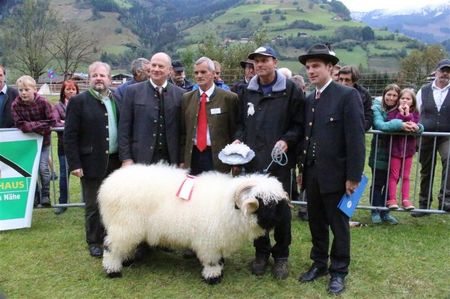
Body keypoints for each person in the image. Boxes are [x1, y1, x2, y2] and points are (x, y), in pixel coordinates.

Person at [297, 44, 365, 295]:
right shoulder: (309, 99)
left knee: (339, 225)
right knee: (316, 222)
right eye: (308, 67)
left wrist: (353, 177)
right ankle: (319, 264)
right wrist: (302, 169)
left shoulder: (347, 96)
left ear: (330, 68)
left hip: (337, 176)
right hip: (312, 174)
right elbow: (308, 136)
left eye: (316, 66)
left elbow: (356, 139)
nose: (311, 71)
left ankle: (338, 270)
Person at [234, 46, 305, 280]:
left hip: (279, 164)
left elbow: (298, 124)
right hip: (254, 162)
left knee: (281, 211)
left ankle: (281, 256)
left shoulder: (291, 90)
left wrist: (287, 140)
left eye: (265, 60)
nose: (260, 65)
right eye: (256, 61)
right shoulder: (247, 91)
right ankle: (261, 253)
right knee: (255, 208)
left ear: (275, 62)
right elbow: (240, 123)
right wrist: (239, 139)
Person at [64, 61, 121, 258]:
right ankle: (94, 240)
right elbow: (69, 135)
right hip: (90, 162)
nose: (98, 78)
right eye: (94, 75)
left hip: (115, 162)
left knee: (114, 202)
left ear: (109, 79)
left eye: (102, 75)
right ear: (89, 79)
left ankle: (110, 237)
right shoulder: (78, 101)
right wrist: (75, 164)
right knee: (93, 204)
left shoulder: (116, 99)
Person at [119, 52, 185, 166]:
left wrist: (182, 160)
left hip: (170, 160)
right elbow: (124, 128)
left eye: (161, 66)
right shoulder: (132, 91)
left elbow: (183, 131)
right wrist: (126, 158)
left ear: (169, 70)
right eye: (153, 65)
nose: (156, 69)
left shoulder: (181, 94)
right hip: (140, 158)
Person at [369, 84, 422, 224]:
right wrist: (400, 125)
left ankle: (385, 212)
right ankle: (375, 210)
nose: (391, 98)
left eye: (394, 95)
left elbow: (416, 122)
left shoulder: (401, 110)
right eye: (389, 94)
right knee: (378, 183)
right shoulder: (377, 107)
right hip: (380, 153)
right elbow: (380, 125)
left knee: (391, 182)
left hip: (396, 153)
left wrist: (419, 127)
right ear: (384, 94)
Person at [180, 56, 238, 175]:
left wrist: (235, 162)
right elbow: (182, 133)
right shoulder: (186, 98)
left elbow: (235, 132)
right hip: (193, 156)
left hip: (218, 158)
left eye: (203, 72)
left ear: (212, 74)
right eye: (196, 73)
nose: (199, 76)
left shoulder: (229, 98)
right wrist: (182, 160)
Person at [412, 58, 450, 216]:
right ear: (436, 72)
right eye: (443, 70)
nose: (445, 74)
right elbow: (418, 111)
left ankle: (445, 201)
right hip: (426, 135)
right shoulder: (424, 90)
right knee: (426, 169)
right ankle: (424, 204)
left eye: (448, 71)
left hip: (447, 136)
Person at [11, 75, 56, 208]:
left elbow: (52, 121)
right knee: (30, 170)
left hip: (43, 142)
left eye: (26, 89)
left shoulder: (44, 102)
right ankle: (34, 196)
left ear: (34, 89)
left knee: (43, 168)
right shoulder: (15, 105)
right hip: (27, 143)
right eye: (20, 90)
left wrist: (30, 126)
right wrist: (39, 125)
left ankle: (45, 194)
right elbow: (19, 124)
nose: (23, 93)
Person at [384, 88, 419, 210]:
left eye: (408, 99)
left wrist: (408, 114)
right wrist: (401, 114)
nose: (405, 101)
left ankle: (405, 199)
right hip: (395, 150)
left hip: (408, 151)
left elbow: (413, 124)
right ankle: (392, 199)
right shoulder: (393, 112)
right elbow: (395, 123)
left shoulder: (415, 113)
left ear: (413, 102)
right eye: (402, 98)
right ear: (399, 100)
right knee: (394, 176)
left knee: (406, 176)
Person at [53, 80, 79, 215]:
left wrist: (66, 122)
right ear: (63, 91)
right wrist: (70, 123)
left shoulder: (82, 104)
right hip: (63, 147)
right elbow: (55, 122)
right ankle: (63, 202)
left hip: (81, 146)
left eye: (73, 89)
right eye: (68, 89)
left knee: (85, 175)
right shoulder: (58, 106)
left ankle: (87, 201)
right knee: (64, 175)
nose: (71, 92)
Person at [338, 66, 373, 131]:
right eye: (341, 79)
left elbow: (368, 118)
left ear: (354, 81)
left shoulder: (364, 94)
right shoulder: (333, 92)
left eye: (347, 80)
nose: (343, 83)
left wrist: (356, 129)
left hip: (354, 134)